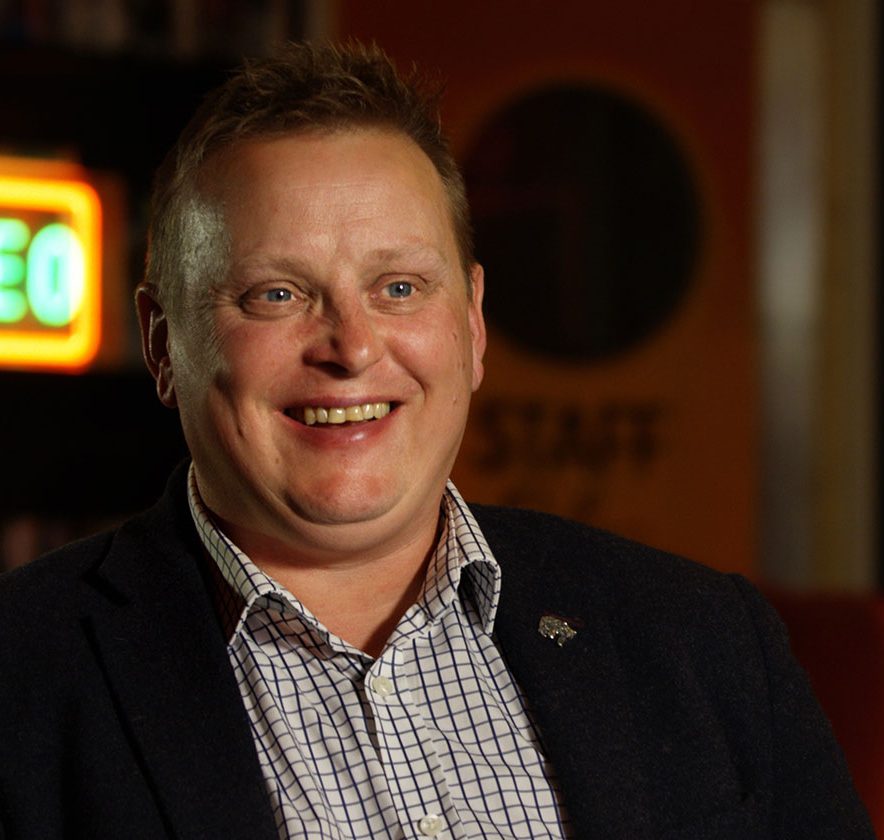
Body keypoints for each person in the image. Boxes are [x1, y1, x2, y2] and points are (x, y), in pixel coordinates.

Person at [0, 40, 874, 840]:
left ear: (475, 325)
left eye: (401, 287)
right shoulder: (23, 678)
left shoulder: (704, 642)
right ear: (162, 343)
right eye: (275, 295)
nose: (350, 346)